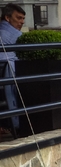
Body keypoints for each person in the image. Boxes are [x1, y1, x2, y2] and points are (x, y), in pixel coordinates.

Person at [0, 3, 26, 133]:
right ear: (7, 18)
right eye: (19, 18)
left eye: (23, 19)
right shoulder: (11, 34)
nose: (21, 22)